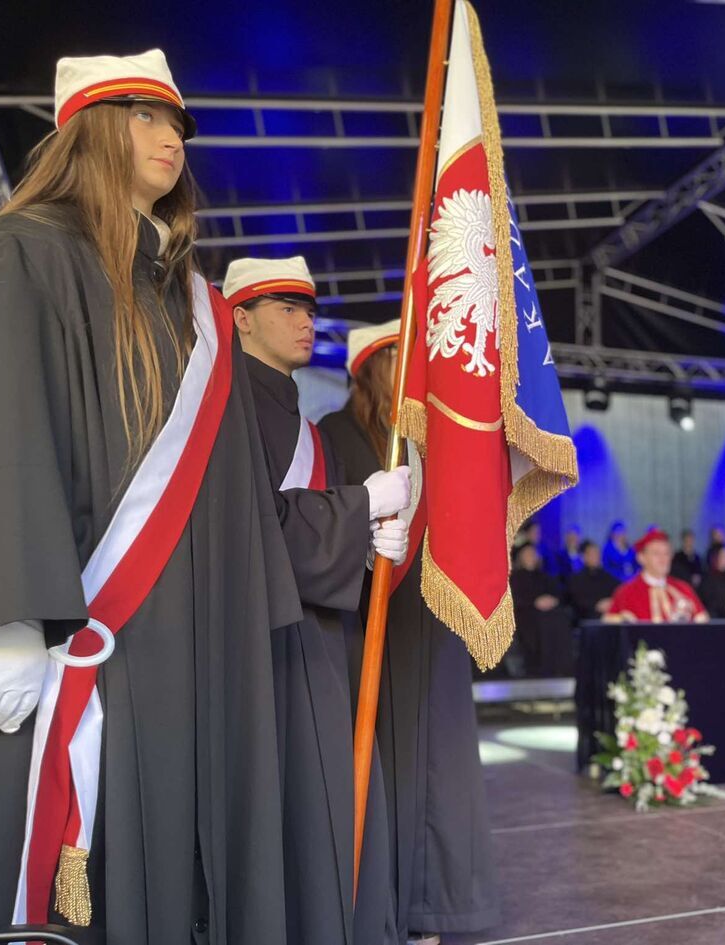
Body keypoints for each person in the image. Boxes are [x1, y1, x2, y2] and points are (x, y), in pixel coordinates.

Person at [0, 49, 303, 941]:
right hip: (71, 639)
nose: (171, 136)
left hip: (191, 648)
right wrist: (9, 613)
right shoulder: (20, 249)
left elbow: (232, 490)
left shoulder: (196, 307)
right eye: (144, 115)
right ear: (91, 129)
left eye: (176, 122)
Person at [225, 255, 408, 944]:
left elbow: (303, 524)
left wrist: (365, 542)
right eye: (285, 308)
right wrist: (359, 505)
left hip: (322, 638)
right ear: (242, 319)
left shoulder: (299, 419)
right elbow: (250, 527)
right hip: (265, 643)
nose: (306, 321)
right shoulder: (224, 409)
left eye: (308, 309)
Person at [319, 320, 500, 940]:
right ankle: (380, 907)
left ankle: (435, 906)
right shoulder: (335, 434)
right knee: (382, 766)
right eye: (397, 354)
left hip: (431, 617)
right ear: (370, 366)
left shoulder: (429, 439)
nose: (411, 365)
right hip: (370, 618)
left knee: (440, 765)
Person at [606, 529, 708, 624]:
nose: (663, 559)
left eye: (666, 553)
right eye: (656, 553)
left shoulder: (683, 589)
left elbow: (703, 623)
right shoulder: (625, 593)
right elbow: (609, 625)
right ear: (641, 558)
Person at [509, 544, 573, 676]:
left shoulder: (544, 576)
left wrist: (552, 600)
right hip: (526, 614)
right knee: (543, 622)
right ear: (520, 557)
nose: (531, 556)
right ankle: (543, 669)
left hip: (549, 612)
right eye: (527, 554)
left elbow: (558, 593)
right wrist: (534, 603)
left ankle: (563, 668)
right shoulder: (514, 578)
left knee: (560, 618)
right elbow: (515, 600)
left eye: (533, 553)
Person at [567, 541, 620, 622]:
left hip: (608, 615)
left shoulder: (609, 577)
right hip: (586, 618)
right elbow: (576, 601)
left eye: (597, 554)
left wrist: (611, 601)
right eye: (592, 554)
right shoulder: (576, 579)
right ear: (584, 557)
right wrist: (597, 605)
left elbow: (619, 591)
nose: (596, 557)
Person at [699, 545, 725, 619]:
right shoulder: (707, 578)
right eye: (724, 556)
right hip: (715, 618)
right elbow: (708, 602)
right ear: (716, 557)